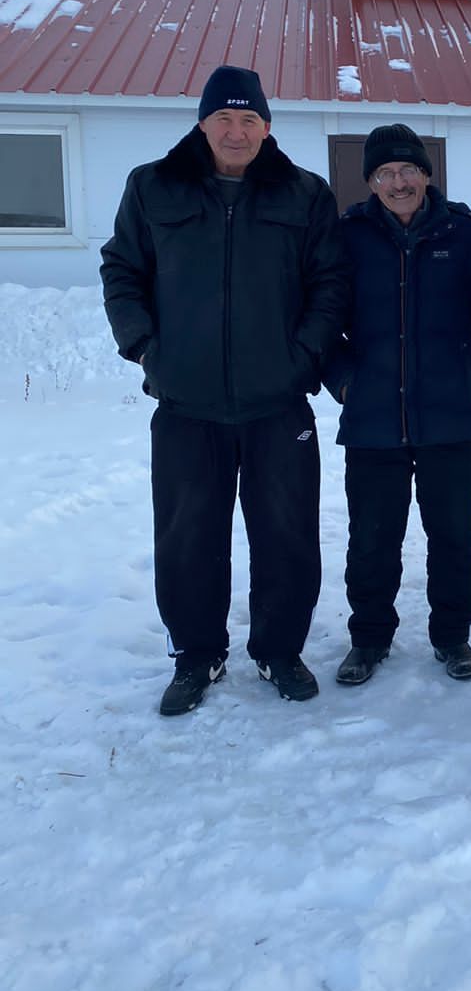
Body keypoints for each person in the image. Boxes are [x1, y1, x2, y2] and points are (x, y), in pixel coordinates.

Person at [100, 64, 348, 716]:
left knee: (287, 535)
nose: (236, 132)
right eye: (223, 119)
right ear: (202, 124)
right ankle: (197, 655)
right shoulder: (153, 188)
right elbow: (122, 269)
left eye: (249, 120)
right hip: (187, 404)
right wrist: (146, 346)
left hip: (278, 402)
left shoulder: (304, 195)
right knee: (187, 536)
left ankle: (278, 650)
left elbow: (330, 285)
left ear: (267, 127)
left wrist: (306, 354)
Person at [326, 124, 471, 686]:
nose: (398, 182)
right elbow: (321, 320)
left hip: (449, 417)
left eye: (408, 170)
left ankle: (452, 637)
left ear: (426, 175)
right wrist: (345, 382)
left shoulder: (466, 234)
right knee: (371, 538)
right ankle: (368, 639)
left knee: (454, 536)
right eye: (385, 173)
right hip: (372, 420)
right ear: (370, 181)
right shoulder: (346, 237)